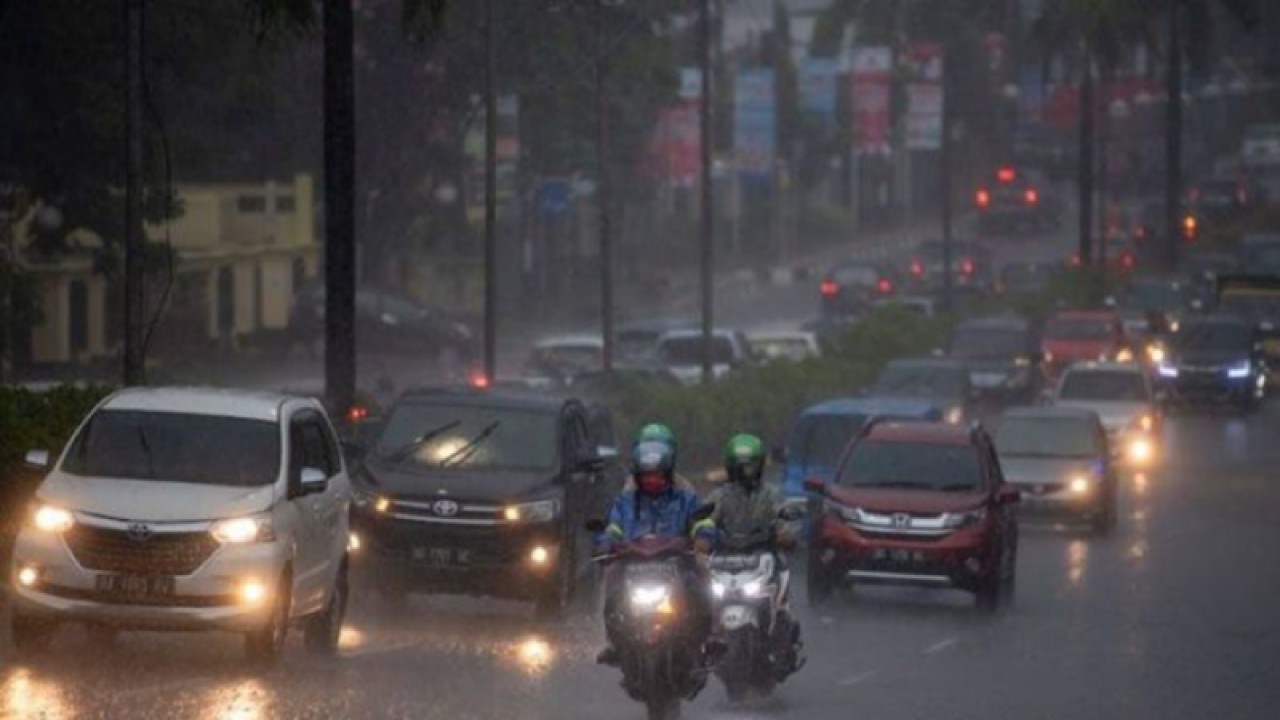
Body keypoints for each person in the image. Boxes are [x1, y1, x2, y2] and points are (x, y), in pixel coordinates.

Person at [595, 435, 715, 666]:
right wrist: (606, 544)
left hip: (676, 562)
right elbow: (613, 527)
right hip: (633, 563)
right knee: (610, 581)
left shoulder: (685, 498)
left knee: (702, 580)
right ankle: (614, 641)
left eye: (657, 476)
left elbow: (703, 522)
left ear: (668, 474)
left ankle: (709, 636)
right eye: (646, 476)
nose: (652, 481)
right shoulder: (625, 501)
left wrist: (703, 538)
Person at [708, 433, 804, 678]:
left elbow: (786, 521)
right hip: (725, 560)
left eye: (750, 466)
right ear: (730, 467)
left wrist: (785, 534)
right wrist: (697, 532)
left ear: (760, 466)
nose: (745, 472)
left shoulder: (771, 495)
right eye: (740, 467)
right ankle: (702, 644)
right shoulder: (720, 496)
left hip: (763, 557)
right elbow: (703, 520)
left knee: (781, 593)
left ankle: (782, 646)